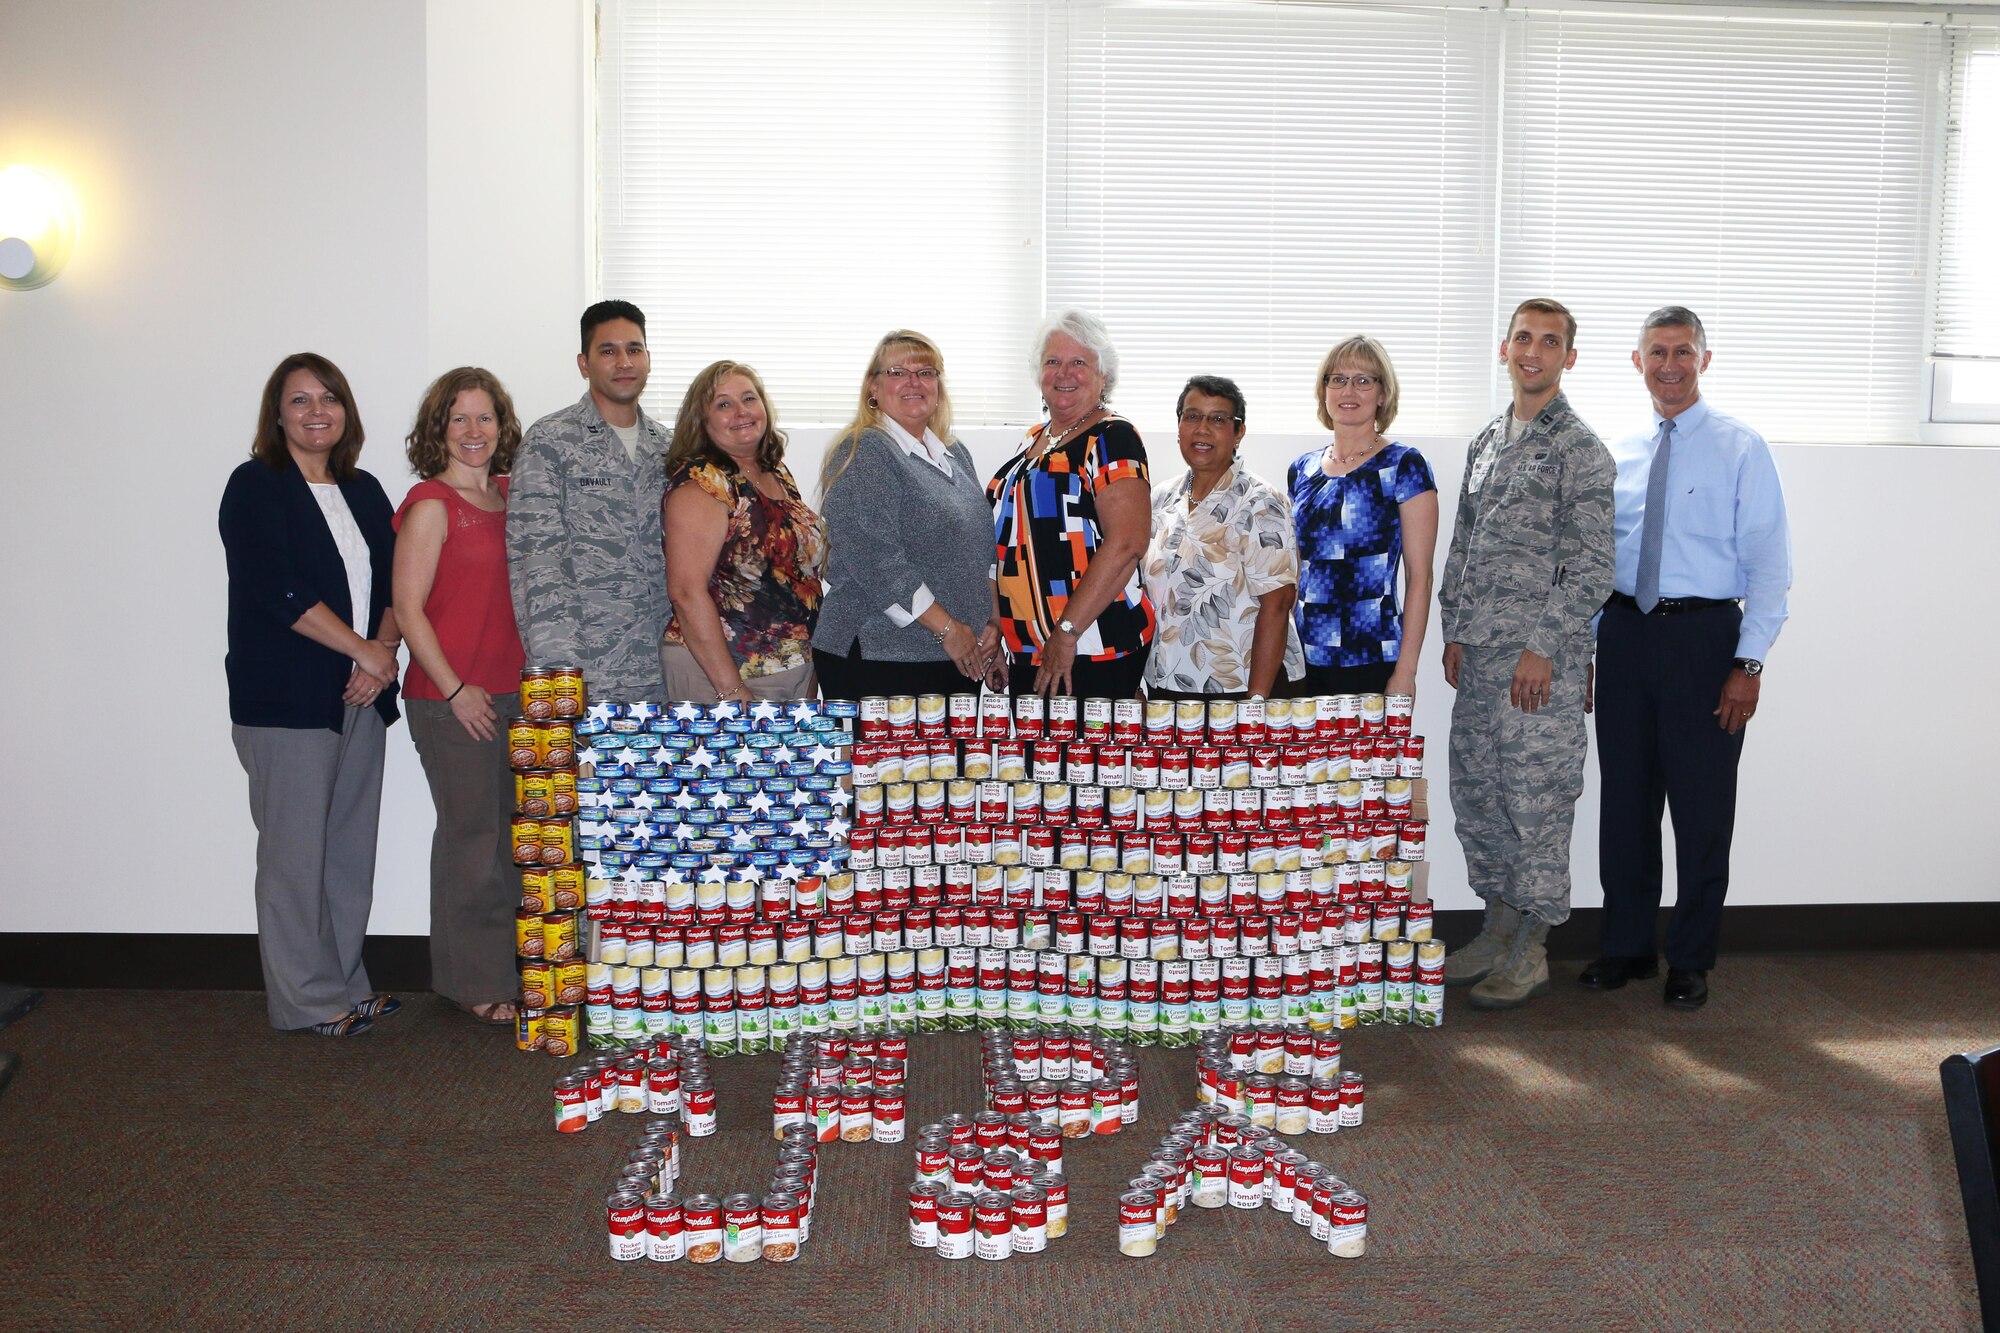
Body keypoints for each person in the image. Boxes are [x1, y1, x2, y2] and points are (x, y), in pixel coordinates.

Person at [1582, 307, 1792, 1010]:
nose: (1669, 365)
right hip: (1625, 635)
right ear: (1635, 361)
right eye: (1656, 352)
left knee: (1703, 809)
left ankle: (1692, 956)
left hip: (1706, 642)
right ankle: (1628, 946)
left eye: (1682, 351)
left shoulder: (1741, 447)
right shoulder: (1617, 449)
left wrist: (1749, 662)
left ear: (1705, 358)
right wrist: (1588, 645)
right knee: (1625, 803)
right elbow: (1596, 558)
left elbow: (1769, 567)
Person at [1438, 298, 1616, 1010]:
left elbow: (1595, 565)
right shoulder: (1488, 440)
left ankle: (1532, 947)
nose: (1533, 351)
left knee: (1536, 803)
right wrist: (1453, 627)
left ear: (1569, 356)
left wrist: (1543, 647)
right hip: (1480, 657)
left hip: (1537, 666)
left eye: (1550, 341)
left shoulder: (1580, 448)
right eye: (1523, 338)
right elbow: (1463, 544)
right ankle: (1495, 925)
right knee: (1481, 795)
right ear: (1504, 347)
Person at [219, 353, 404, 1037]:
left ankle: (346, 984)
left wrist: (381, 654)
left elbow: (395, 583)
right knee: (296, 855)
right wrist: (364, 650)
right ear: (278, 415)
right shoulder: (255, 486)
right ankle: (303, 999)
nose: (317, 411)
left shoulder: (364, 489)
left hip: (363, 693)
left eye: (329, 398)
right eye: (300, 400)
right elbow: (279, 591)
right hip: (289, 702)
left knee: (349, 849)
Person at [392, 367, 528, 1026]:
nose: (474, 432)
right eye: (459, 419)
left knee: (507, 841)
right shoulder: (429, 503)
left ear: (502, 427)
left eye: (485, 418)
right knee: (472, 843)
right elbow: (408, 608)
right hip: (452, 697)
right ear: (438, 430)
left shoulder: (512, 494)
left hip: (514, 693)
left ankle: (501, 969)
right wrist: (455, 689)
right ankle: (471, 981)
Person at [812, 331, 998, 700]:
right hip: (880, 655)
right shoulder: (862, 451)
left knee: (950, 761)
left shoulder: (954, 455)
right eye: (898, 372)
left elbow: (982, 553)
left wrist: (991, 624)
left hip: (956, 655)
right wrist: (950, 631)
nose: (914, 382)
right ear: (873, 388)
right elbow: (876, 560)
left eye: (926, 372)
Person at [507, 300, 672, 705]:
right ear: (584, 364)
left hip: (665, 671)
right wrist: (560, 677)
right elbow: (538, 566)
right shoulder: (550, 443)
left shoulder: (670, 449)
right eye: (608, 351)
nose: (623, 361)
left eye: (634, 349)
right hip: (585, 675)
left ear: (648, 359)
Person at [988, 310, 1156, 698]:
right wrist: (996, 629)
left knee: (1085, 761)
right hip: (1029, 650)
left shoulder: (1112, 437)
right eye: (1053, 362)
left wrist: (1065, 634)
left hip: (1090, 648)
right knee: (1040, 761)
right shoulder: (1033, 439)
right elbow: (1005, 547)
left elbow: (1128, 543)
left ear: (1104, 376)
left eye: (1079, 362)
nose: (1064, 373)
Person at [661, 361, 825, 704]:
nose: (741, 412)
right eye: (723, 404)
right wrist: (733, 691)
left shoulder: (775, 472)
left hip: (791, 670)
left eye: (749, 399)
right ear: (702, 421)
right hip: (724, 676)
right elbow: (686, 593)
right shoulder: (703, 484)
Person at [1289, 336, 1439, 700]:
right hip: (1305, 660)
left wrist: (1406, 672)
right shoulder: (1301, 470)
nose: (1348, 390)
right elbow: (1295, 571)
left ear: (1383, 393)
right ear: (1323, 391)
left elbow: (1420, 578)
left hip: (1372, 657)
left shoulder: (1405, 466)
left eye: (1363, 380)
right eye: (1337, 379)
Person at [1143, 375, 1305, 700]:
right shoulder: (1160, 498)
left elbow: (1278, 603)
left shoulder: (1260, 502)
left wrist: (1256, 703)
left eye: (1217, 418)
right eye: (1192, 416)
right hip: (1168, 682)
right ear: (1179, 426)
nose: (1202, 429)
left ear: (1238, 432)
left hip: (1241, 687)